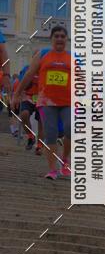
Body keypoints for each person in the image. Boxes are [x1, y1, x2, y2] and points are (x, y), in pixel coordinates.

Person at [13, 25, 71, 180]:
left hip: (68, 102)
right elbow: (29, 75)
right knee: (50, 135)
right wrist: (17, 93)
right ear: (51, 39)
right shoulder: (43, 54)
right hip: (47, 102)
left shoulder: (72, 57)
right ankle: (52, 170)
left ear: (66, 39)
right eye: (56, 36)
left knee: (70, 129)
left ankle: (65, 161)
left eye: (62, 36)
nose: (59, 38)